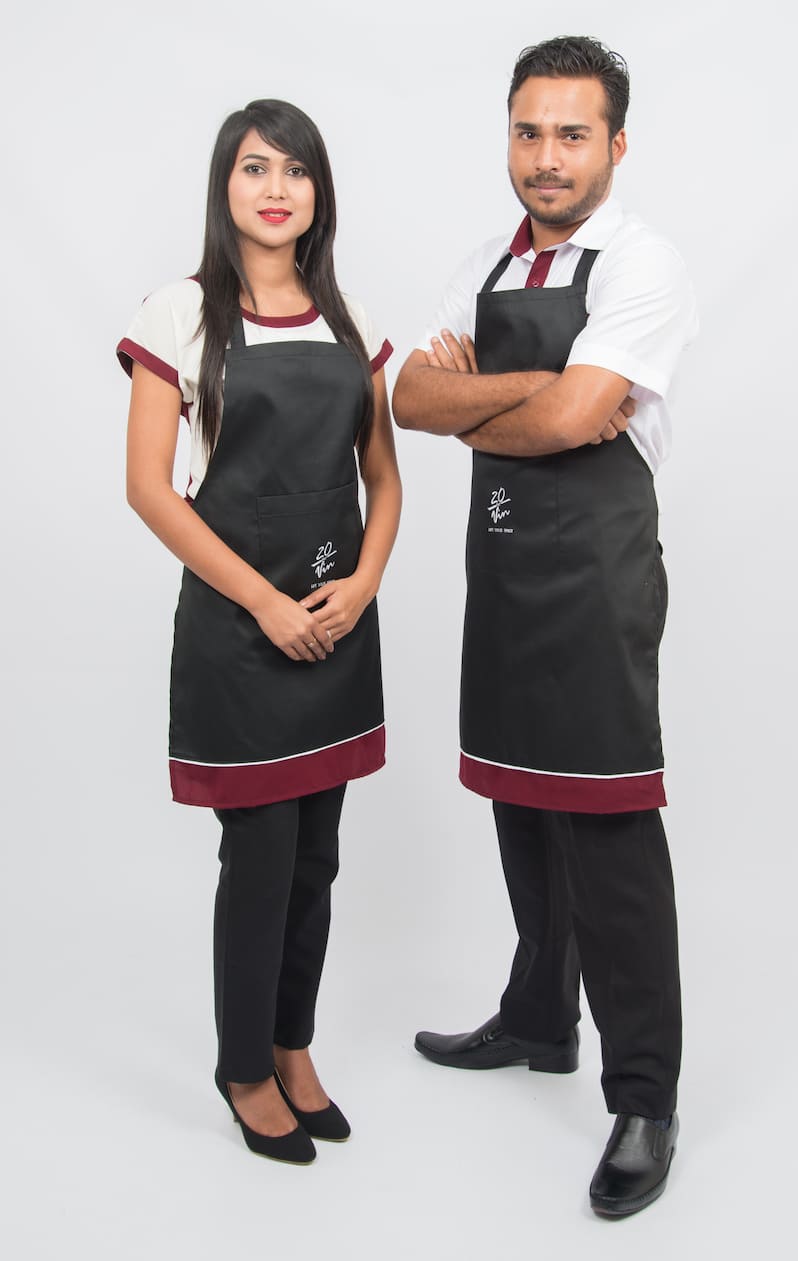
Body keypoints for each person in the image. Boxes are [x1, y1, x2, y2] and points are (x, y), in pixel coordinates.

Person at [393, 36, 696, 1216]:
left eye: (572, 134)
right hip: (505, 565)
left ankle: (644, 1096)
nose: (547, 156)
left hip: (593, 576)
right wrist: (539, 391)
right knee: (519, 800)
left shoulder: (642, 261)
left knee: (606, 827)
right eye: (528, 131)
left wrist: (502, 401)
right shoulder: (485, 261)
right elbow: (408, 395)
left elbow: (580, 419)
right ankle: (536, 1018)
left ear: (615, 144)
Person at [119, 99, 401, 1164]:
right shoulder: (181, 312)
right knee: (263, 854)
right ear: (223, 186)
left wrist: (361, 584)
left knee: (318, 855)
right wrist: (267, 604)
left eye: (294, 169)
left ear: (319, 191)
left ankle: (293, 1044)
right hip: (242, 636)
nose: (275, 188)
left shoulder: (348, 318)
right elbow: (150, 489)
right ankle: (243, 1065)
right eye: (253, 167)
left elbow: (383, 482)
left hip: (335, 625)